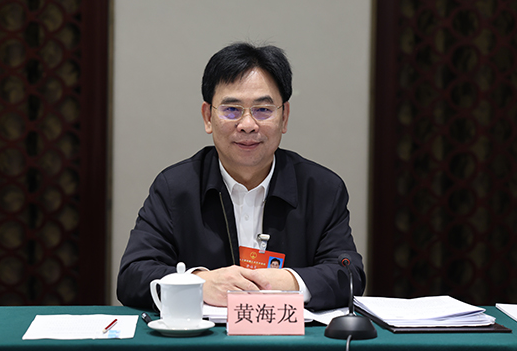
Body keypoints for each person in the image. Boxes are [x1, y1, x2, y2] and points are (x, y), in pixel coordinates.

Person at [117, 42, 365, 311]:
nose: (247, 125)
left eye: (263, 110)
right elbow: (133, 276)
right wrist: (200, 283)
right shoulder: (175, 188)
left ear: (284, 118)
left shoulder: (321, 189)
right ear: (208, 117)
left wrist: (288, 281)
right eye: (232, 110)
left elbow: (348, 273)